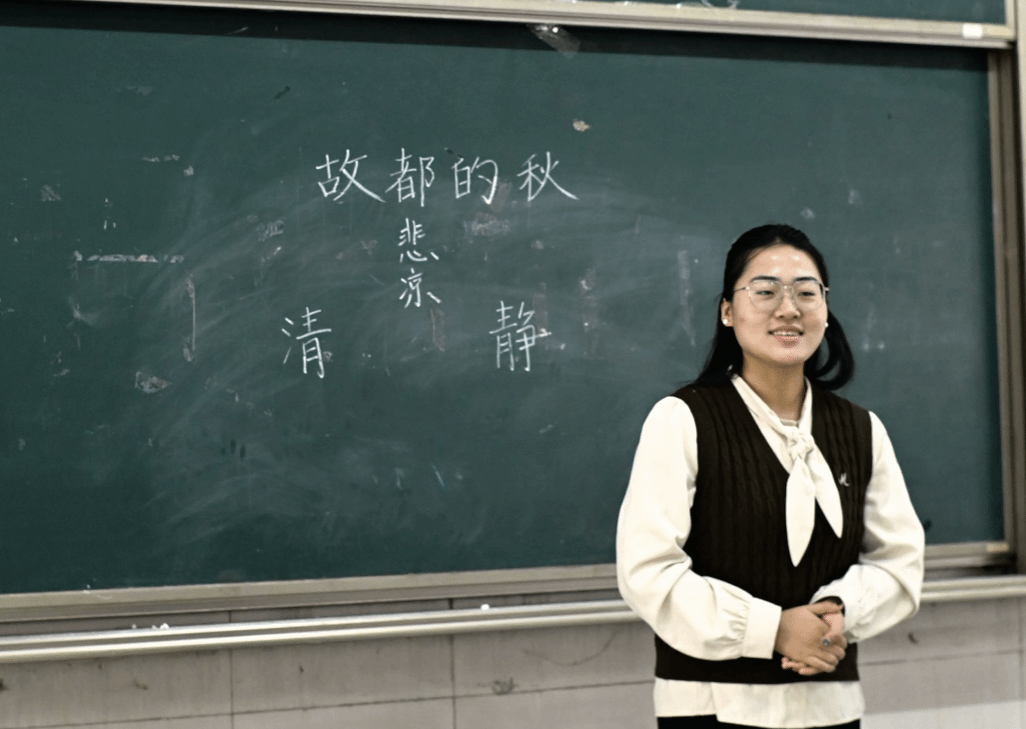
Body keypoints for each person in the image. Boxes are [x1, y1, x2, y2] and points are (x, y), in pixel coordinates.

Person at [616, 224, 925, 729]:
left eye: (806, 292)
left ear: (825, 308)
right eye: (764, 292)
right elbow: (649, 571)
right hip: (713, 706)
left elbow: (899, 563)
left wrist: (837, 610)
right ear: (727, 311)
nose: (788, 309)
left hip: (831, 706)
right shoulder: (682, 419)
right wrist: (773, 629)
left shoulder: (861, 428)